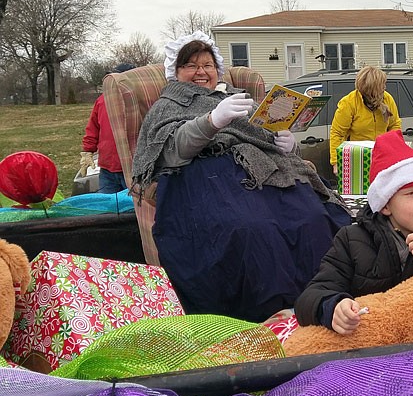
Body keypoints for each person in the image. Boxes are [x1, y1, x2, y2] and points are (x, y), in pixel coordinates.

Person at [130, 31, 352, 323]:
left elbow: (264, 135)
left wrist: (288, 144)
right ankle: (267, 315)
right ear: (175, 71)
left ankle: (320, 300)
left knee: (314, 217)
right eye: (191, 65)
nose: (201, 72)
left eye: (207, 65)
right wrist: (211, 121)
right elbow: (172, 150)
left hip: (267, 173)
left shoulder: (237, 97)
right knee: (251, 229)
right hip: (207, 179)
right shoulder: (169, 105)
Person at [295, 129, 413, 334]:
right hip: (378, 349)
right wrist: (332, 308)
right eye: (411, 193)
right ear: (385, 205)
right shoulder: (353, 240)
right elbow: (309, 297)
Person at [329, 65, 402, 175]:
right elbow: (337, 133)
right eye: (382, 85)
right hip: (358, 157)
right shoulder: (349, 102)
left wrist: (395, 150)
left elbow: (394, 125)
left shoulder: (387, 98)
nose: (385, 88)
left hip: (383, 155)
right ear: (372, 88)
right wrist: (336, 162)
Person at [80, 63, 136, 193]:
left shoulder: (138, 101)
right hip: (107, 168)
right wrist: (87, 151)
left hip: (132, 168)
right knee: (107, 209)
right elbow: (93, 128)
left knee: (133, 209)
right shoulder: (102, 100)